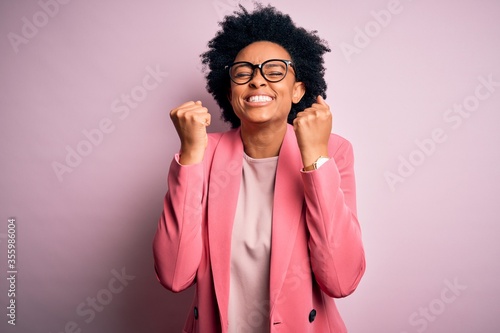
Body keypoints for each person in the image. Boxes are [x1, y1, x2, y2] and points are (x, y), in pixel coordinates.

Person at [153, 4, 365, 333]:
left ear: (298, 90)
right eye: (243, 72)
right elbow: (175, 275)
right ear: (229, 91)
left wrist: (314, 158)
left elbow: (340, 279)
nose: (257, 81)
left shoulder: (334, 151)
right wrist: (192, 153)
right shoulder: (202, 155)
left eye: (275, 70)